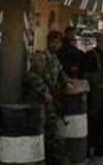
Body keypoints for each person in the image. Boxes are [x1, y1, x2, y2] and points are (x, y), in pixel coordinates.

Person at [24, 30, 72, 165]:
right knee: (50, 130)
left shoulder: (54, 58)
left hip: (51, 100)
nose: (56, 45)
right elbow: (32, 76)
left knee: (52, 129)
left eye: (58, 42)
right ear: (48, 42)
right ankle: (55, 159)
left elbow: (61, 72)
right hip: (39, 100)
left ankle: (53, 158)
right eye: (53, 42)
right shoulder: (41, 57)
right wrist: (44, 91)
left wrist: (66, 82)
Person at [83, 31, 103, 158]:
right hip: (94, 93)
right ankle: (88, 148)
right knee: (92, 121)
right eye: (102, 42)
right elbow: (84, 74)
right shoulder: (91, 55)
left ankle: (99, 146)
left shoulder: (102, 55)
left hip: (102, 92)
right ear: (98, 42)